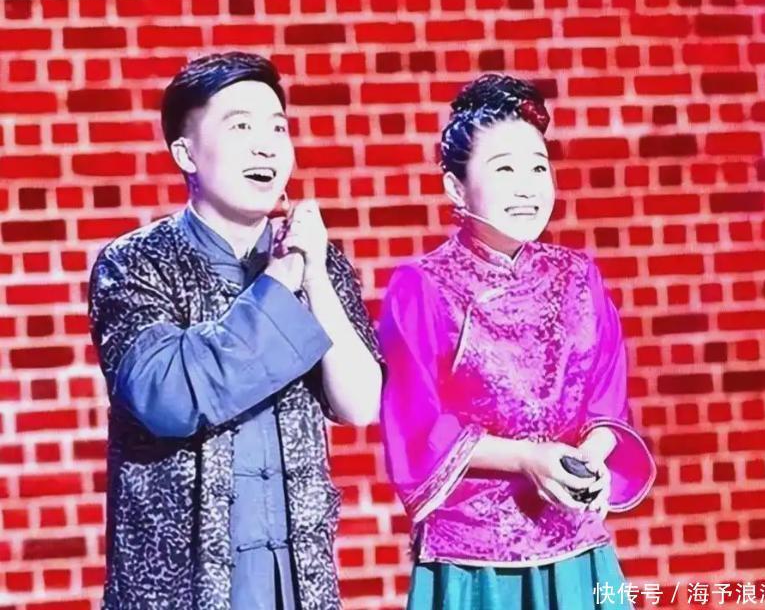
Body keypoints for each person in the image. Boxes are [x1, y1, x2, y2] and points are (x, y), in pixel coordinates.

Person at [88, 51, 384, 610]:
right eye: (241, 126)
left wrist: (315, 278)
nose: (266, 146)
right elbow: (167, 395)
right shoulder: (135, 264)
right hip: (182, 590)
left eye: (278, 128)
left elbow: (360, 403)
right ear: (186, 153)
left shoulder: (315, 259)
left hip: (296, 582)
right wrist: (279, 281)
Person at [378, 74, 655, 609]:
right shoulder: (423, 285)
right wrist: (527, 459)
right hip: (474, 558)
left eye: (538, 167)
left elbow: (607, 399)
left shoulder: (579, 276)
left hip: (575, 542)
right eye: (505, 169)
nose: (528, 187)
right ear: (455, 188)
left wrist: (591, 460)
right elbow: (417, 425)